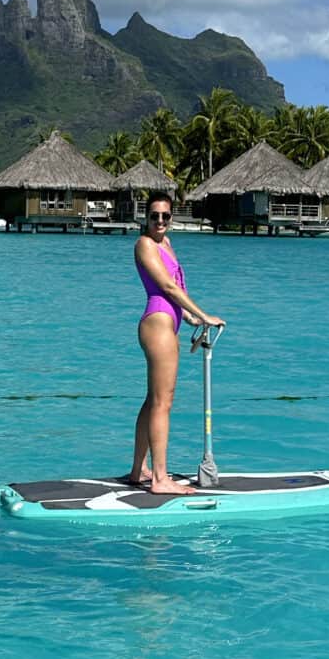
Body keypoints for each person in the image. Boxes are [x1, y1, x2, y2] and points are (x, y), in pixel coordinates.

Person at [123, 192, 224, 494]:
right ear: (146, 217)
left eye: (165, 216)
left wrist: (191, 319)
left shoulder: (167, 244)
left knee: (153, 400)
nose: (160, 221)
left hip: (170, 321)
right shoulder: (144, 244)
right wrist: (203, 314)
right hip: (157, 325)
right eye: (154, 216)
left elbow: (174, 290)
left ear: (171, 217)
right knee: (163, 403)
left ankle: (139, 469)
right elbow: (165, 286)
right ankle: (160, 479)